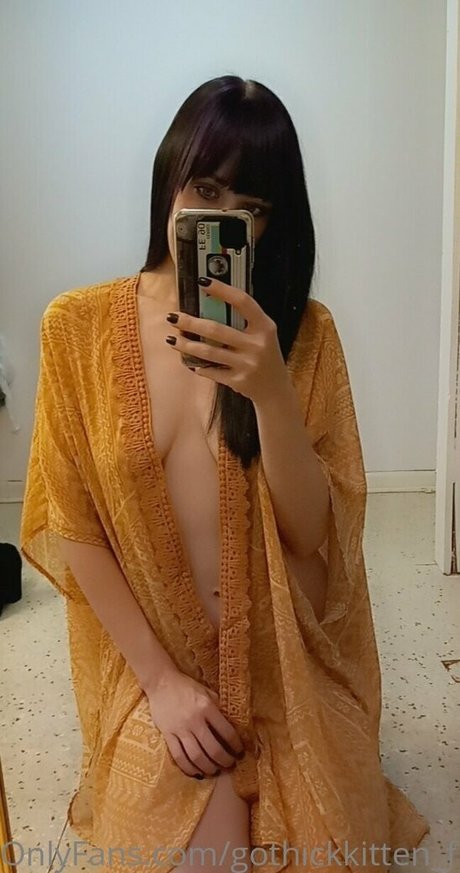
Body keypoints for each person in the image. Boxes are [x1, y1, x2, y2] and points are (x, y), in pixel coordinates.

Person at [20, 76, 430, 873]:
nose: (222, 217)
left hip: (285, 661)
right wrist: (162, 684)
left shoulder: (304, 335)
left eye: (251, 205)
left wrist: (270, 392)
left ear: (274, 222)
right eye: (206, 189)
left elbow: (314, 539)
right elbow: (73, 527)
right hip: (160, 664)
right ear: (169, 175)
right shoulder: (77, 329)